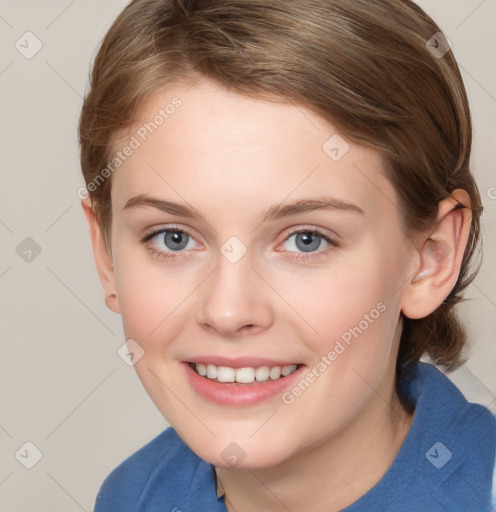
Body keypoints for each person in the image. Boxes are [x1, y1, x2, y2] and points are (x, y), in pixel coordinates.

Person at [78, 0, 496, 510]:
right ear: (105, 253)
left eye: (306, 240)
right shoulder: (131, 495)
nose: (228, 311)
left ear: (430, 257)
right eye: (173, 238)